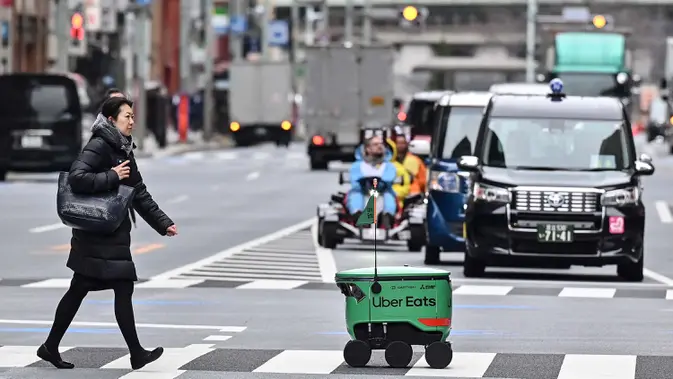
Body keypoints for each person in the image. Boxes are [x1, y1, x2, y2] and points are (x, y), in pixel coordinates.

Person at [37, 97, 178, 370]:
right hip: (97, 231)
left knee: (88, 288)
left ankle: (52, 346)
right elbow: (77, 177)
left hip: (108, 231)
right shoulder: (100, 144)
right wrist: (112, 176)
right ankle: (135, 353)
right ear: (112, 120)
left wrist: (163, 223)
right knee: (113, 286)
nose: (132, 121)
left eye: (133, 116)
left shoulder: (123, 149)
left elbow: (139, 192)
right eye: (127, 116)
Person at [347, 135, 398, 227]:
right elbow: (355, 181)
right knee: (355, 195)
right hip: (363, 192)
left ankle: (387, 217)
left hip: (382, 192)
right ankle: (358, 215)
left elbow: (389, 178)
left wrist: (381, 183)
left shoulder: (389, 166)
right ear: (367, 149)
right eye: (375, 144)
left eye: (381, 144)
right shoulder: (357, 166)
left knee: (389, 196)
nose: (379, 146)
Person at [393, 130, 427, 194]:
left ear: (407, 144)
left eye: (402, 143)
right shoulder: (389, 161)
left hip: (412, 194)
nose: (400, 145)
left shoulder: (414, 160)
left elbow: (422, 181)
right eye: (398, 143)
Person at [385, 138, 412, 211]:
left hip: (395, 205)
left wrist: (391, 194)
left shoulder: (399, 169)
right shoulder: (366, 166)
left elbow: (405, 188)